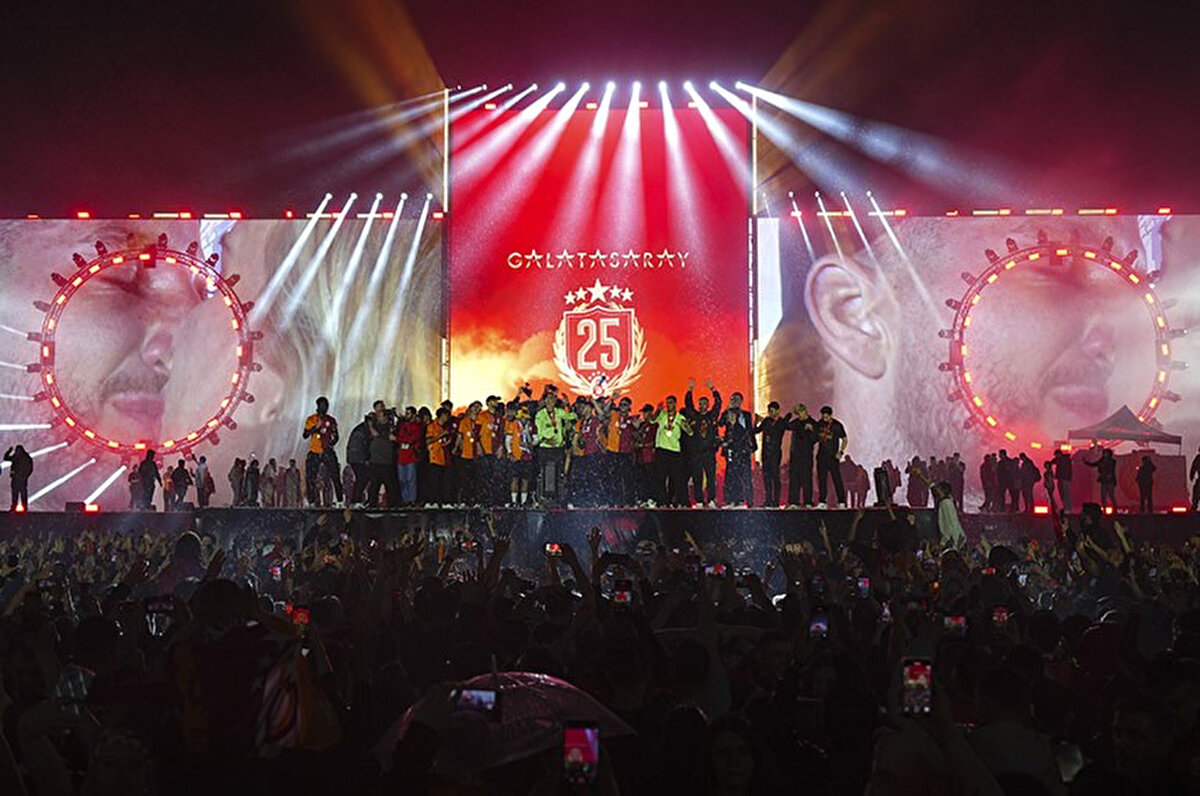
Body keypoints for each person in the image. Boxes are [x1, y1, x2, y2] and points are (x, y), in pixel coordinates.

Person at [684, 378, 723, 508]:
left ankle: (711, 499)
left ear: (708, 405)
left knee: (711, 477)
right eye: (700, 403)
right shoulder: (695, 416)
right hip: (696, 453)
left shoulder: (712, 416)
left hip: (709, 452)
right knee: (697, 478)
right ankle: (699, 501)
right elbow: (688, 405)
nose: (702, 405)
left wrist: (713, 389)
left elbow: (718, 403)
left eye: (705, 403)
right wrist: (690, 390)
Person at [534, 389, 575, 506]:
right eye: (549, 398)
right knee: (544, 473)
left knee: (558, 473)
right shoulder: (540, 414)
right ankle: (543, 498)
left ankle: (557, 500)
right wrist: (546, 439)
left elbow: (572, 418)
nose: (551, 400)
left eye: (553, 398)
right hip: (545, 447)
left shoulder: (559, 412)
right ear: (545, 400)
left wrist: (568, 405)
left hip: (557, 448)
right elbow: (539, 430)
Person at [651, 395, 693, 506]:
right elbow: (651, 420)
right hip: (661, 450)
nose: (668, 405)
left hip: (674, 451)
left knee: (677, 478)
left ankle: (682, 502)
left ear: (675, 404)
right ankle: (662, 502)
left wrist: (685, 426)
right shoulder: (662, 415)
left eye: (670, 402)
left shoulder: (680, 417)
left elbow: (690, 432)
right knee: (660, 478)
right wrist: (658, 410)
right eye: (667, 402)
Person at [303, 396, 343, 507]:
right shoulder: (311, 419)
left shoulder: (331, 420)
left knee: (335, 475)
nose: (324, 408)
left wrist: (332, 443)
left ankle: (340, 501)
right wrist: (316, 428)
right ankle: (311, 501)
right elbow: (305, 435)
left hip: (327, 451)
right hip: (315, 451)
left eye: (326, 406)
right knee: (311, 477)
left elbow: (336, 435)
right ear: (318, 406)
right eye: (322, 406)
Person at [720, 405, 756, 506]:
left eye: (731, 415)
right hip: (732, 455)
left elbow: (740, 440)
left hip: (741, 455)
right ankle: (733, 500)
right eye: (728, 416)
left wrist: (729, 443)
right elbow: (720, 424)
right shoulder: (729, 427)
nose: (729, 417)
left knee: (744, 478)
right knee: (731, 477)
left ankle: (747, 501)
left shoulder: (740, 427)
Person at [755, 402, 788, 507]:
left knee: (775, 477)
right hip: (765, 453)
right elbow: (756, 431)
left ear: (777, 411)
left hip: (775, 453)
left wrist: (789, 415)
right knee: (767, 478)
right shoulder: (766, 421)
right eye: (769, 411)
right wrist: (755, 422)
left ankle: (776, 501)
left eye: (772, 411)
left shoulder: (781, 422)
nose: (770, 413)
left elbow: (789, 425)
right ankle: (768, 500)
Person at [814, 406, 847, 508]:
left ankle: (841, 501)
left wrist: (840, 452)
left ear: (831, 415)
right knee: (822, 480)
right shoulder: (819, 424)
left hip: (833, 457)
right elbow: (814, 437)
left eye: (827, 416)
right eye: (823, 416)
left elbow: (845, 439)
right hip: (821, 456)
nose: (825, 418)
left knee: (837, 479)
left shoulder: (837, 425)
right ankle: (822, 501)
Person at [786, 404, 817, 507]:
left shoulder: (812, 423)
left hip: (806, 455)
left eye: (800, 412)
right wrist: (788, 416)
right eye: (797, 413)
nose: (799, 415)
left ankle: (808, 501)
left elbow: (816, 439)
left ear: (805, 411)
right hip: (795, 455)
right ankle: (794, 501)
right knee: (794, 478)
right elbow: (787, 426)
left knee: (806, 478)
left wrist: (811, 430)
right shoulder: (796, 422)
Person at [504, 401, 533, 506]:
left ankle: (523, 501)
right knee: (514, 478)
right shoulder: (513, 425)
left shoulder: (531, 426)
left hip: (527, 456)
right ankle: (513, 501)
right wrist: (510, 452)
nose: (524, 419)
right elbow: (508, 440)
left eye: (525, 417)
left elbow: (536, 439)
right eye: (522, 417)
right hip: (516, 455)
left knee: (525, 479)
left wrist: (530, 444)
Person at [425, 407, 453, 506]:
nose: (447, 418)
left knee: (443, 481)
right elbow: (428, 440)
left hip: (444, 457)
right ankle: (433, 501)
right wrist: (441, 435)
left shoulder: (445, 428)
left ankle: (443, 501)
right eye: (446, 415)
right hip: (434, 457)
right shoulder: (432, 426)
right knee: (434, 481)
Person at [395, 407, 422, 506]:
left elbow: (411, 439)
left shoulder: (416, 426)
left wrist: (398, 439)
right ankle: (405, 499)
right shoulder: (402, 426)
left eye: (408, 413)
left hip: (411, 456)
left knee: (410, 479)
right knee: (402, 479)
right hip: (402, 456)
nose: (406, 415)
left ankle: (411, 499)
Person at [345, 412, 371, 506]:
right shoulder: (363, 430)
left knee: (362, 479)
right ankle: (357, 500)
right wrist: (366, 458)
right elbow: (364, 445)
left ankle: (356, 500)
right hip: (358, 458)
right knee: (362, 478)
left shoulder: (360, 428)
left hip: (355, 458)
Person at [633, 404, 657, 505]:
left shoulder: (655, 425)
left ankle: (651, 498)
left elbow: (655, 442)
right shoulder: (642, 425)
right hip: (640, 457)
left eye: (646, 412)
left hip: (650, 457)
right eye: (644, 412)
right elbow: (636, 437)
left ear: (651, 412)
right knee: (641, 479)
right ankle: (642, 498)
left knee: (650, 479)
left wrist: (643, 445)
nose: (645, 414)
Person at [4, 445, 33, 511]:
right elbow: (30, 468)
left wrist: (9, 451)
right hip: (19, 479)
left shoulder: (20, 457)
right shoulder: (25, 458)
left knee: (18, 494)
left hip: (19, 479)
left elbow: (6, 458)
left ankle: (18, 507)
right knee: (18, 494)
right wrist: (26, 476)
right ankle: (21, 507)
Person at [1053, 448, 1074, 514]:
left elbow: (1053, 461)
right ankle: (1067, 508)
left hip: (1064, 479)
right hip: (1063, 479)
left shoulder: (1063, 460)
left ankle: (1068, 508)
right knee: (1064, 494)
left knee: (1065, 494)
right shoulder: (1065, 459)